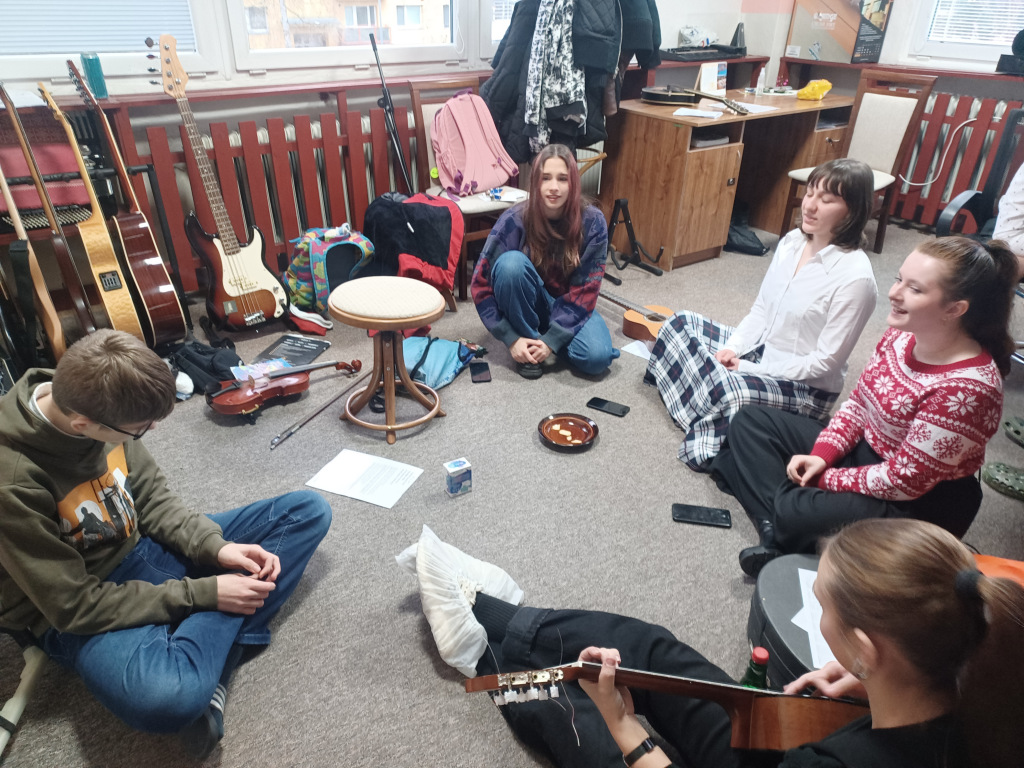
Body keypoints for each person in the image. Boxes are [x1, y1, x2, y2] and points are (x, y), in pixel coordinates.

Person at [403, 518, 1024, 768]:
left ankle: (482, 652)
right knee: (649, 649)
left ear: (869, 644)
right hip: (833, 718)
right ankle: (505, 618)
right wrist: (868, 680)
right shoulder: (986, 683)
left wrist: (627, 729)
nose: (817, 611)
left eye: (823, 605)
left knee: (585, 713)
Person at [0, 330, 332, 759]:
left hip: (141, 546)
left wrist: (215, 548)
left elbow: (153, 500)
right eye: (140, 431)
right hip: (79, 607)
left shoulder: (101, 403)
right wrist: (204, 594)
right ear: (83, 425)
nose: (149, 432)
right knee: (167, 698)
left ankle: (213, 659)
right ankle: (219, 648)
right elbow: (72, 606)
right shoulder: (12, 482)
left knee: (308, 511)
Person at [710, 236, 1017, 577]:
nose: (894, 293)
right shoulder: (901, 335)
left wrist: (825, 478)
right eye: (899, 279)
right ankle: (777, 527)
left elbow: (904, 480)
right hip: (869, 454)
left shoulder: (968, 388)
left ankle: (779, 520)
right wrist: (823, 454)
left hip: (915, 500)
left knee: (790, 501)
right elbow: (858, 404)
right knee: (749, 422)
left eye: (914, 289)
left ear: (954, 309)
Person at [645, 158, 877, 470]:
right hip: (762, 349)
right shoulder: (792, 241)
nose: (810, 205)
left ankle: (703, 395)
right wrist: (733, 348)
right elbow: (762, 308)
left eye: (826, 200)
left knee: (730, 392)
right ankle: (706, 393)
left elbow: (824, 363)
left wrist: (752, 368)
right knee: (679, 322)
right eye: (810, 193)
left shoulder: (856, 278)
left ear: (853, 210)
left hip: (805, 388)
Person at [471, 142, 618, 379]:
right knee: (510, 266)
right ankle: (527, 340)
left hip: (570, 304)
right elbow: (480, 284)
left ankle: (545, 336)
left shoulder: (594, 222)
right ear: (536, 182)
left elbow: (587, 289)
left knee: (597, 358)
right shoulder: (513, 219)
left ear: (573, 183)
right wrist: (511, 338)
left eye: (562, 179)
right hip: (528, 299)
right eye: (546, 178)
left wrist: (552, 341)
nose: (554, 187)